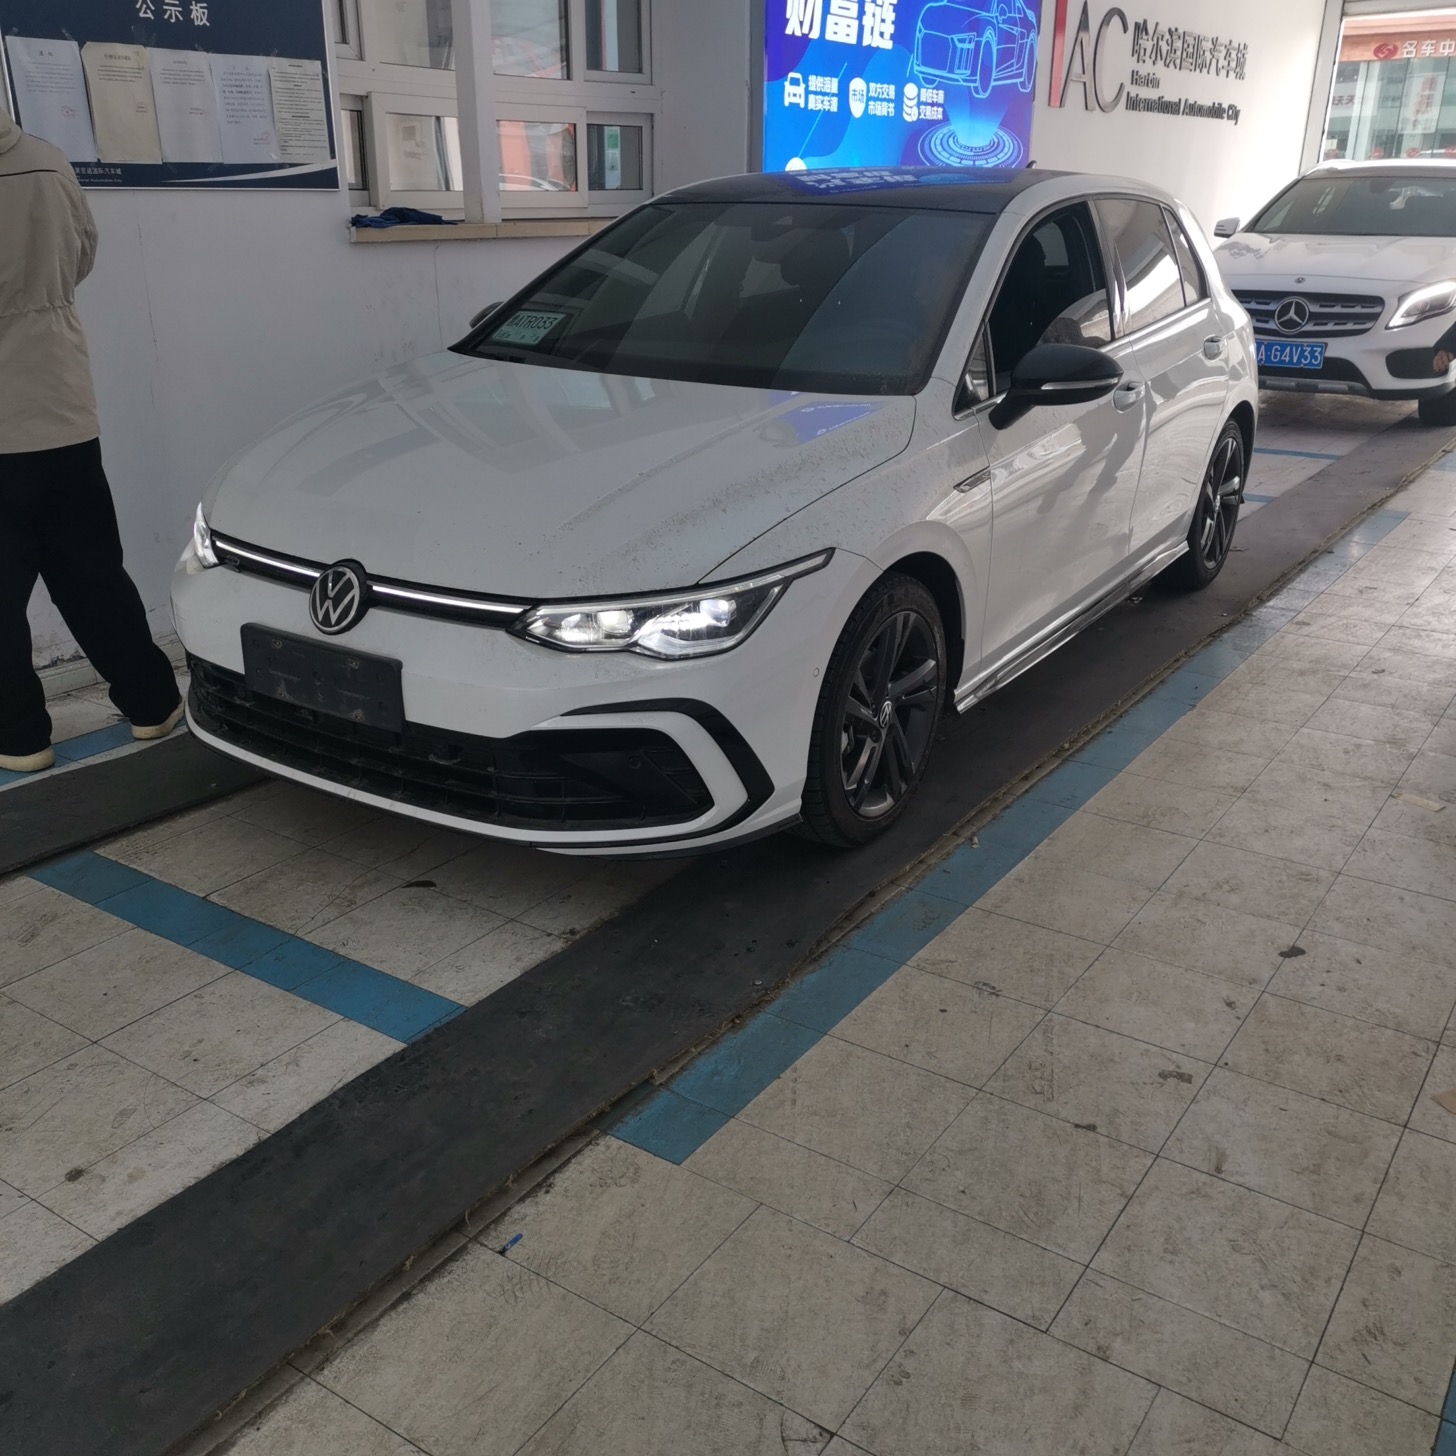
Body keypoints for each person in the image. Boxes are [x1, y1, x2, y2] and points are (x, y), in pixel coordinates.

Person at [0, 108, 181, 773]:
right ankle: (152, 703)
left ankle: (20, 738)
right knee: (92, 573)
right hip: (61, 407)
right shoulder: (48, 163)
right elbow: (81, 257)